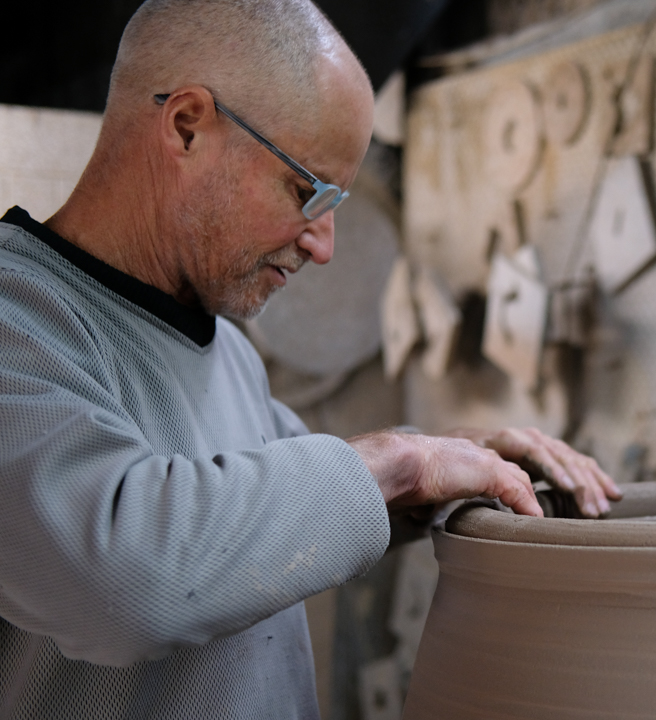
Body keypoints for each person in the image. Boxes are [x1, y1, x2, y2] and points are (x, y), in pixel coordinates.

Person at [0, 0, 622, 717]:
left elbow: (278, 502)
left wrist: (452, 461)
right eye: (307, 191)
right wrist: (402, 461)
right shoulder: (21, 322)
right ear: (187, 126)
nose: (323, 245)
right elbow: (125, 584)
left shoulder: (225, 350)